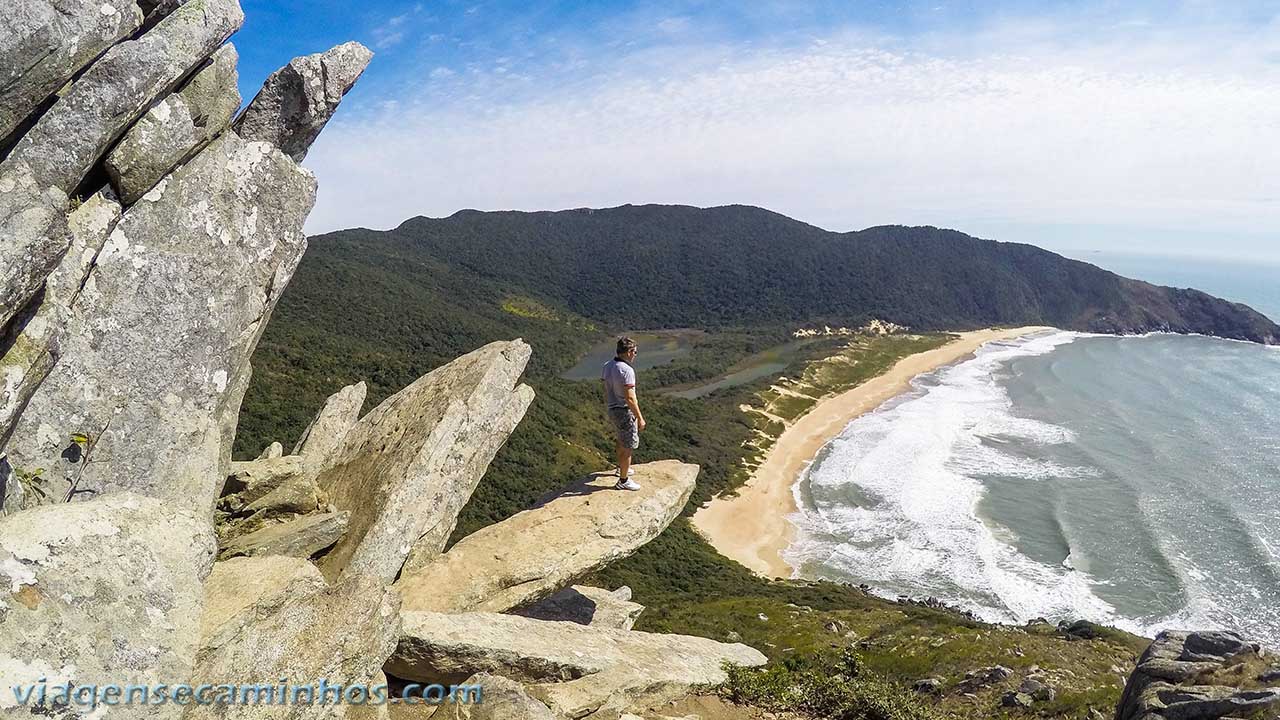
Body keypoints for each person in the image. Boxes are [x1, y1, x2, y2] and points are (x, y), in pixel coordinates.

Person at [602, 336, 646, 490]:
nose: (635, 355)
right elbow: (630, 397)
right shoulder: (627, 370)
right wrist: (640, 418)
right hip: (624, 410)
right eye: (634, 352)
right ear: (628, 352)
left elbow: (606, 387)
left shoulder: (607, 365)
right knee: (628, 446)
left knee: (621, 439)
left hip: (612, 408)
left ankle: (621, 468)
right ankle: (623, 480)